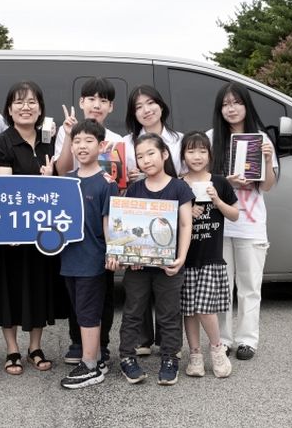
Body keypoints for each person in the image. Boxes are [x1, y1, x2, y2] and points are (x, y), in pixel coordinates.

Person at [0, 80, 63, 375]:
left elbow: (60, 185)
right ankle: (12, 349)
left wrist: (51, 176)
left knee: (38, 286)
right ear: (9, 108)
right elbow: (5, 189)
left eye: (32, 102)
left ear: (41, 108)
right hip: (11, 233)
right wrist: (12, 230)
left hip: (43, 232)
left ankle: (35, 346)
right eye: (19, 102)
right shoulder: (2, 143)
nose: (26, 107)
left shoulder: (50, 143)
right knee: (8, 287)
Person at [108, 133, 193, 386]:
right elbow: (126, 227)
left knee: (169, 313)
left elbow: (186, 224)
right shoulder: (135, 188)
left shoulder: (179, 187)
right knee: (133, 311)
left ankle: (170, 358)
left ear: (164, 154)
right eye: (141, 156)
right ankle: (126, 357)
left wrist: (180, 258)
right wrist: (128, 255)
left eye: (151, 154)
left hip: (169, 264)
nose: (146, 160)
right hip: (138, 266)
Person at [208, 82, 278, 361]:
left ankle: (247, 340)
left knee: (250, 285)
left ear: (246, 106)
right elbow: (201, 179)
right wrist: (227, 180)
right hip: (221, 222)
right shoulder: (211, 138)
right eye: (225, 104)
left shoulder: (261, 139)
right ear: (219, 108)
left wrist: (269, 159)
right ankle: (223, 339)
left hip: (251, 223)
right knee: (222, 285)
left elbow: (269, 186)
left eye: (236, 102)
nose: (231, 108)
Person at [54, 78, 121, 366]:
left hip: (100, 234)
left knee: (97, 298)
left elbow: (115, 195)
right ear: (82, 102)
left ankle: (95, 353)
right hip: (74, 245)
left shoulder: (118, 142)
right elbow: (62, 170)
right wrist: (69, 136)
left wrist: (114, 248)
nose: (96, 104)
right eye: (91, 98)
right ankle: (81, 346)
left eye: (103, 99)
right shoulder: (67, 131)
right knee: (79, 299)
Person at [122, 85, 184, 356]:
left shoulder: (179, 139)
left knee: (167, 292)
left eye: (150, 103)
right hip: (139, 214)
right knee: (138, 290)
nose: (145, 110)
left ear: (161, 105)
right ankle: (143, 339)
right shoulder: (125, 142)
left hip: (170, 218)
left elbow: (191, 173)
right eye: (138, 106)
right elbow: (119, 183)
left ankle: (170, 345)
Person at [179, 131, 239, 378]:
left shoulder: (220, 182)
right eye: (191, 151)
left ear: (210, 154)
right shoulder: (178, 183)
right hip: (186, 257)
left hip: (211, 257)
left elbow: (235, 214)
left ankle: (217, 349)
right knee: (189, 310)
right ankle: (194, 354)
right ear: (183, 154)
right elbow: (167, 220)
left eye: (202, 151)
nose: (197, 156)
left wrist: (217, 201)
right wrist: (186, 213)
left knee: (206, 308)